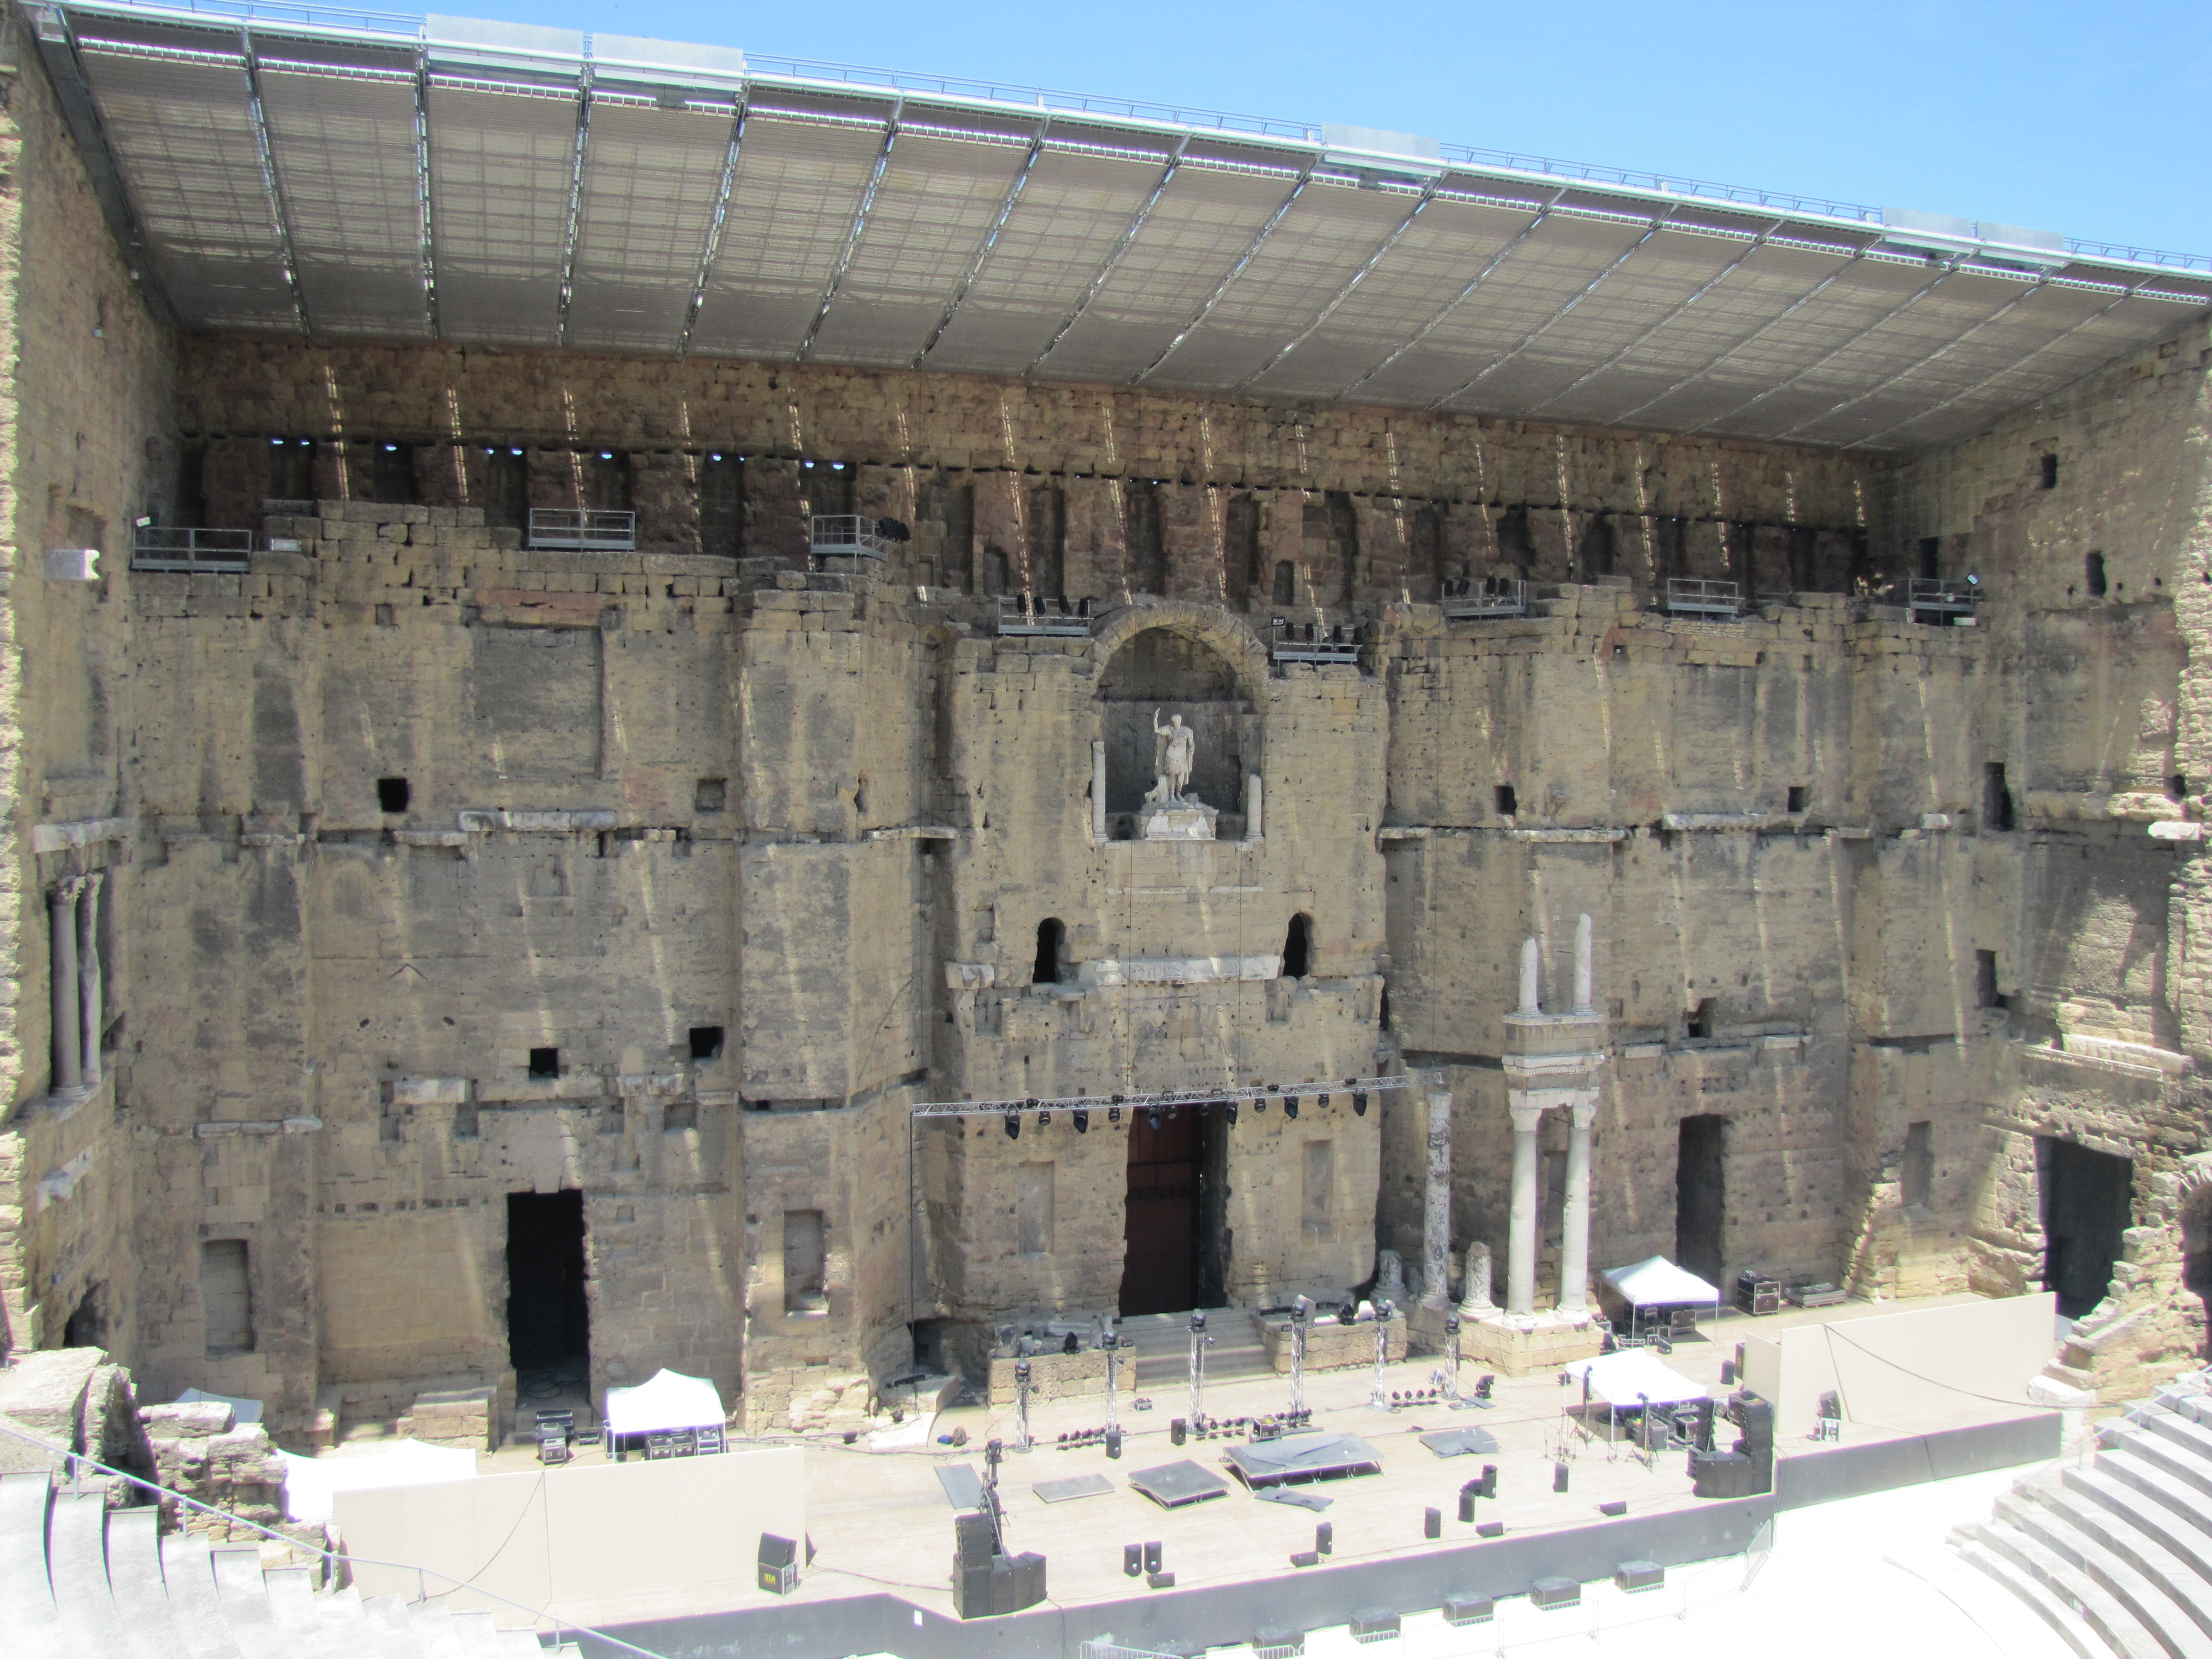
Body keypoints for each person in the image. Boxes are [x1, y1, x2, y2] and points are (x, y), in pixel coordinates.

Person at [1151, 709, 1196, 804]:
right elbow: (1157, 730)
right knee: (1173, 776)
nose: (1176, 723)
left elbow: (1191, 744)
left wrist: (1192, 749)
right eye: (1175, 721)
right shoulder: (1169, 730)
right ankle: (1172, 795)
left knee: (1181, 777)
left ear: (1181, 721)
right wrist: (1155, 719)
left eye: (1178, 721)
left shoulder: (1187, 731)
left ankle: (1178, 793)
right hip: (1171, 755)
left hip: (1183, 756)